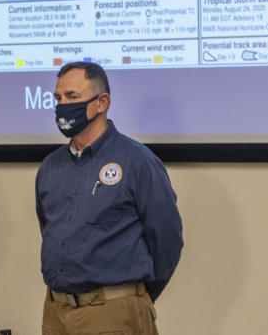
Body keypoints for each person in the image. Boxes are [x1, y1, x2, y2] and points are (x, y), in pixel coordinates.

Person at [36, 62, 183, 335]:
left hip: (113, 313)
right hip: (55, 312)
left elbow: (167, 239)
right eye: (58, 98)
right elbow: (49, 230)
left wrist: (132, 298)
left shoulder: (138, 161)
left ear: (101, 102)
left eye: (72, 97)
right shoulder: (50, 167)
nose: (62, 105)